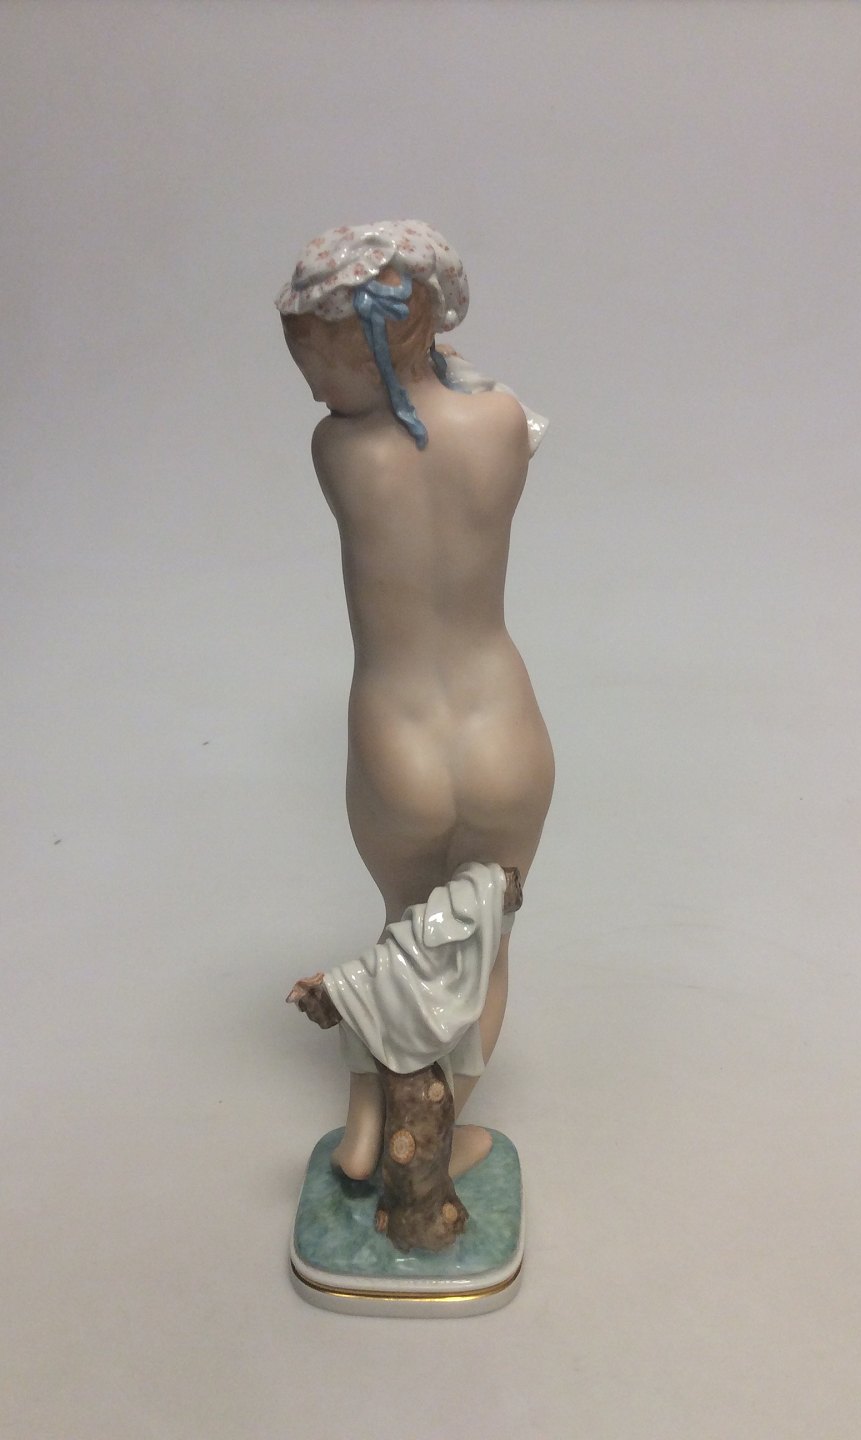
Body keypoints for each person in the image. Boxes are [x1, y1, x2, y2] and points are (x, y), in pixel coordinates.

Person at [277, 221, 554, 1181]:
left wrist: (399, 365)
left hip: (397, 740)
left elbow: (387, 413)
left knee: (403, 937)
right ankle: (426, 1138)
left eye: (319, 367)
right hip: (502, 727)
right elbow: (474, 398)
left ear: (371, 349)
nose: (314, 392)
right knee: (484, 946)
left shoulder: (338, 451)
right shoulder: (502, 422)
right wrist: (426, 351)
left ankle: (375, 1134)